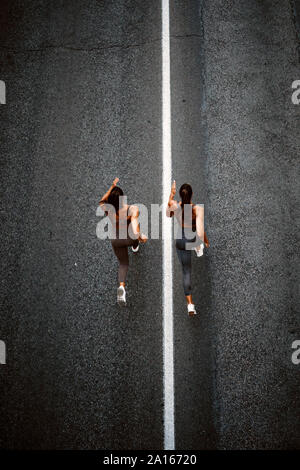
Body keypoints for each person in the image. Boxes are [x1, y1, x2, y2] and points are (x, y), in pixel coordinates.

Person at [99, 178, 147, 306]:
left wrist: (111, 187)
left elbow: (102, 200)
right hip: (130, 237)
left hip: (116, 239)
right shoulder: (132, 209)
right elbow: (135, 225)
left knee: (123, 264)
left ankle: (121, 287)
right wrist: (140, 236)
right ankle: (135, 247)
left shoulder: (107, 209)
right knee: (134, 238)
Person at [166, 180, 209, 316]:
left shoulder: (176, 206)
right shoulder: (196, 209)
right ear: (191, 195)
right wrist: (205, 241)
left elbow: (168, 214)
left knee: (186, 271)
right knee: (196, 234)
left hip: (180, 240)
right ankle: (198, 248)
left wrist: (171, 196)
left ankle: (190, 304)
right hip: (191, 237)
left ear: (179, 194)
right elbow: (201, 232)